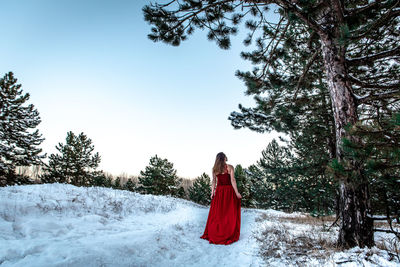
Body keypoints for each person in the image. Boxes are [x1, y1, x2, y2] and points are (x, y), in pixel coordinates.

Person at [200, 152, 242, 245]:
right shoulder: (230, 167)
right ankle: (227, 232)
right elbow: (233, 180)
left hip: (219, 192)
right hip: (229, 192)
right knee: (228, 212)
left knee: (218, 213)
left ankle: (217, 232)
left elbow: (213, 181)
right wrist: (237, 193)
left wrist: (212, 193)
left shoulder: (215, 169)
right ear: (224, 158)